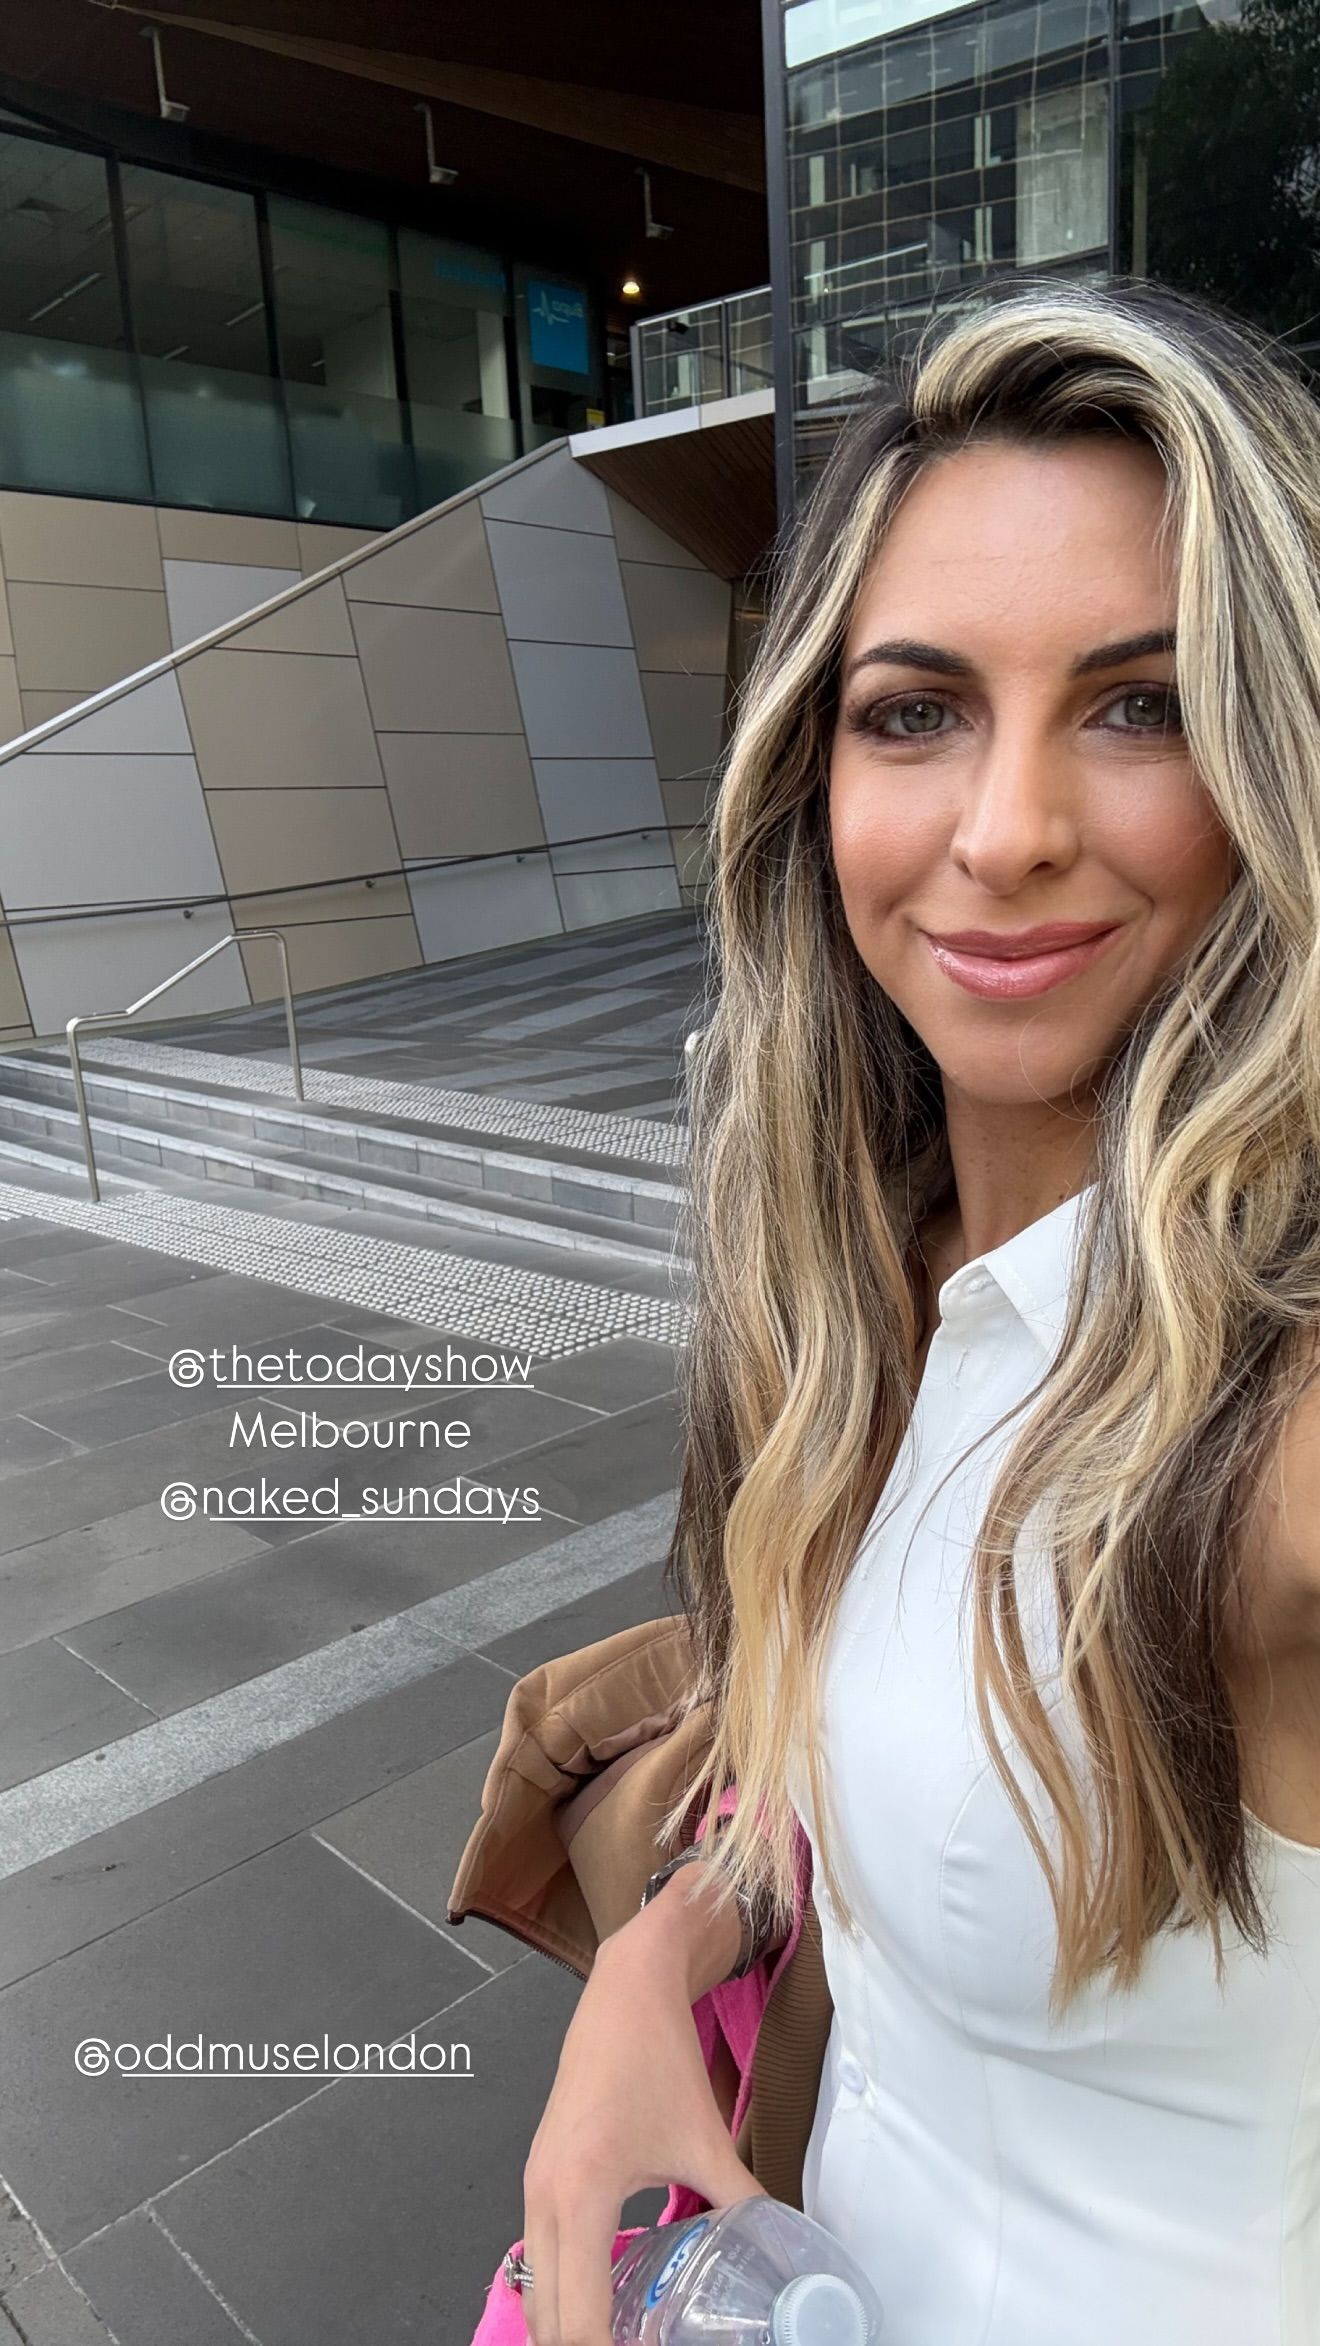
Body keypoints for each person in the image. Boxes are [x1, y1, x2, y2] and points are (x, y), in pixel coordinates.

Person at [515, 275, 1320, 2345]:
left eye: (1141, 706)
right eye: (916, 710)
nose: (1009, 829)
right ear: (814, 776)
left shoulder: (1284, 1438)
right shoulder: (866, 1288)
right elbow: (852, 1776)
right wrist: (663, 1950)